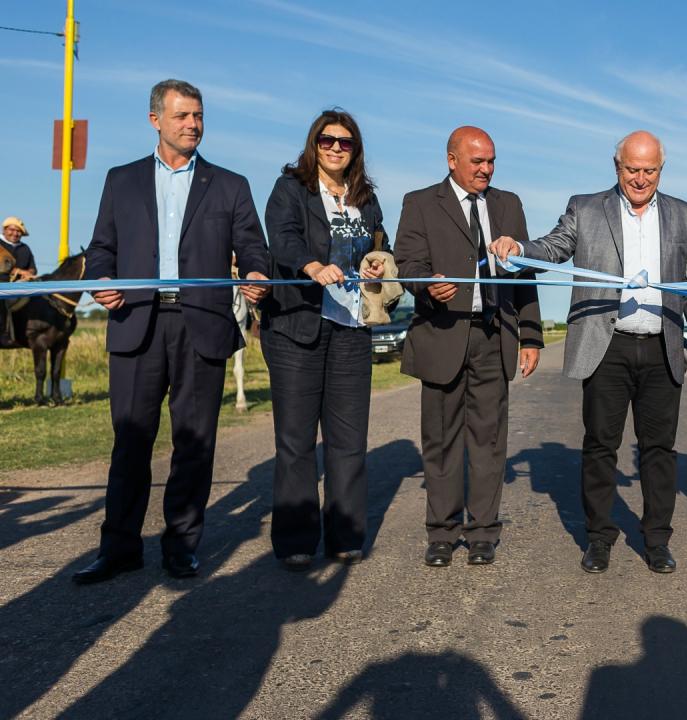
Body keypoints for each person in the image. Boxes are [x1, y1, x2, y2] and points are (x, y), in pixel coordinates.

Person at [492, 130, 687, 574]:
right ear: (617, 167)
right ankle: (599, 538)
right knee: (599, 447)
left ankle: (656, 541)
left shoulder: (683, 215)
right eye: (632, 169)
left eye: (649, 170)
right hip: (606, 347)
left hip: (662, 347)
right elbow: (553, 247)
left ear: (660, 171)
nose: (640, 178)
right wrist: (519, 249)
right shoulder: (586, 207)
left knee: (659, 450)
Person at [75, 79, 271, 584]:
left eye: (198, 115)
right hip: (135, 323)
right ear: (155, 119)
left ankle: (181, 546)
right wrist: (100, 279)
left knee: (195, 442)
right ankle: (119, 548)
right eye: (182, 116)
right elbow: (101, 248)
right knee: (131, 441)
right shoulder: (122, 181)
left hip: (200, 325)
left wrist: (254, 272)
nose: (193, 125)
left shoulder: (231, 185)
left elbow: (253, 247)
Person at [394, 126, 543, 568]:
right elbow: (408, 264)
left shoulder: (508, 204)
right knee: (440, 441)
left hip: (494, 336)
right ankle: (441, 533)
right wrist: (426, 286)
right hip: (442, 334)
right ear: (451, 160)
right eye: (477, 161)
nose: (486, 169)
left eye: (491, 161)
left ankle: (483, 533)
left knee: (489, 440)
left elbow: (524, 274)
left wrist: (531, 335)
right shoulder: (419, 203)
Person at [259, 109, 396, 571]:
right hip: (298, 325)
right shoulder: (291, 188)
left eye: (345, 142)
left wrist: (379, 261)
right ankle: (297, 540)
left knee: (348, 439)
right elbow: (281, 237)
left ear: (355, 149)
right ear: (313, 143)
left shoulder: (367, 197)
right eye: (327, 140)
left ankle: (345, 534)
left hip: (352, 328)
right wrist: (310, 265)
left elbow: (382, 244)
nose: (336, 148)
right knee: (297, 441)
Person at [0, 216, 37, 347]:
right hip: (3, 284)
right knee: (3, 300)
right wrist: (18, 271)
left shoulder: (25, 248)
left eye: (18, 231)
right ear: (4, 230)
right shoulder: (1, 245)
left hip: (22, 285)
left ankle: (31, 333)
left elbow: (33, 268)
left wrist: (29, 273)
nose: (15, 233)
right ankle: (4, 335)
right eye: (12, 230)